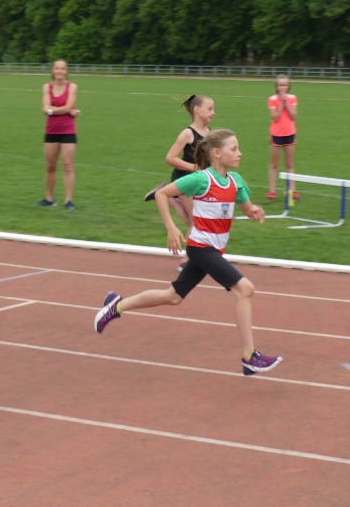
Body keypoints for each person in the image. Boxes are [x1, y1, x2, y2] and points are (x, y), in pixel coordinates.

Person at [93, 127, 282, 376]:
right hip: (200, 248)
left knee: (173, 296)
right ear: (217, 153)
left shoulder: (236, 181)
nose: (240, 153)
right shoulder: (201, 179)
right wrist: (172, 228)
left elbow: (247, 209)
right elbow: (162, 194)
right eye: (234, 149)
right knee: (245, 289)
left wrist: (254, 211)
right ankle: (249, 357)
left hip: (214, 249)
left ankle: (116, 305)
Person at [143, 94, 214, 231]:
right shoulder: (187, 134)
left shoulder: (211, 133)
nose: (213, 113)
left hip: (200, 179)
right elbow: (170, 158)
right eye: (210, 109)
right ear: (197, 110)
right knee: (195, 222)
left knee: (192, 220)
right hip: (184, 178)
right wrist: (195, 168)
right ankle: (191, 249)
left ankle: (164, 195)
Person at [38, 59, 80, 210]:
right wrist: (63, 110)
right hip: (51, 130)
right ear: (53, 71)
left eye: (62, 68)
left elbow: (67, 107)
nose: (60, 71)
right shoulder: (46, 87)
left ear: (67, 71)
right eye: (57, 68)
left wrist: (51, 110)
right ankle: (49, 198)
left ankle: (68, 200)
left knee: (67, 165)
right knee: (50, 166)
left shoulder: (72, 87)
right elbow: (46, 106)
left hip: (68, 130)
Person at [266, 75, 298, 201]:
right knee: (274, 164)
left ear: (288, 86)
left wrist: (287, 103)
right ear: (277, 87)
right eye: (280, 85)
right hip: (276, 134)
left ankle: (292, 191)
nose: (282, 87)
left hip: (290, 133)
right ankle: (272, 191)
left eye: (285, 85)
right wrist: (281, 104)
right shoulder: (272, 99)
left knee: (289, 163)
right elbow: (275, 117)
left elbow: (293, 116)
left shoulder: (293, 98)